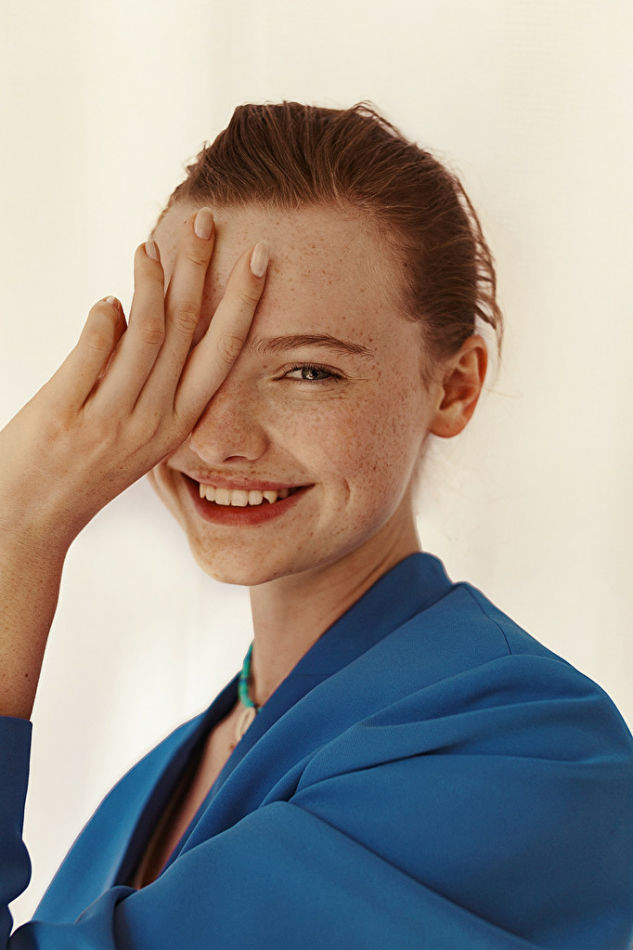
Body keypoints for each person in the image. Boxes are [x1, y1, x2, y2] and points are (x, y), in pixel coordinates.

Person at [1, 102, 632, 949]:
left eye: (307, 371)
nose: (219, 439)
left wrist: (19, 526)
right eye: (186, 360)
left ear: (453, 388)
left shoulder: (525, 752)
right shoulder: (157, 779)